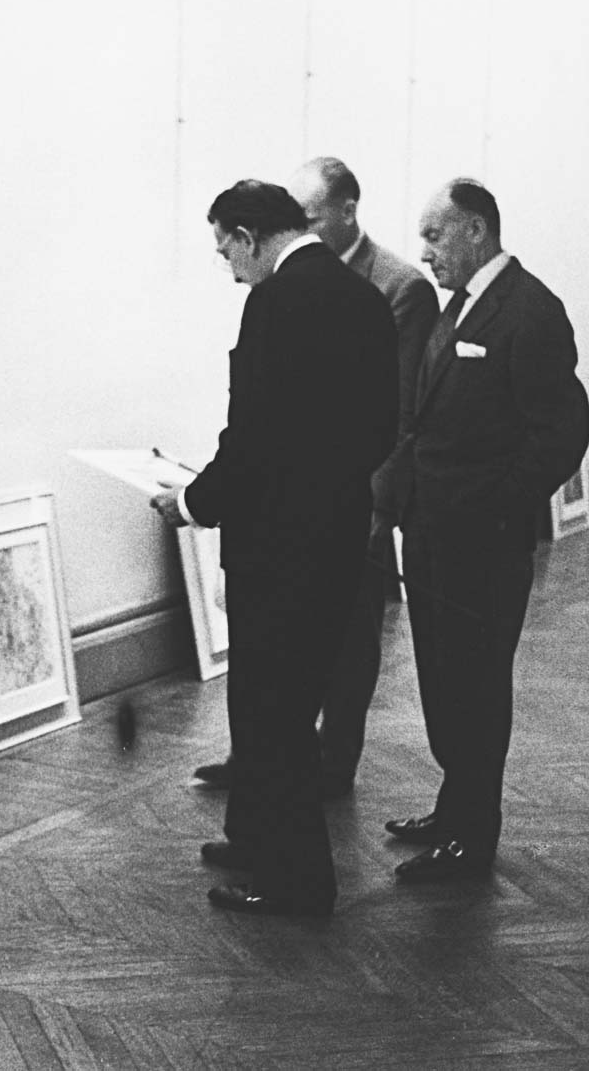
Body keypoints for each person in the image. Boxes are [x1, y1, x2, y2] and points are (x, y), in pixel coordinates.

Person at [152, 180, 399, 916]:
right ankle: (255, 830)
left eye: (225, 245)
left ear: (251, 236)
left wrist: (192, 502)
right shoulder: (361, 295)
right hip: (331, 533)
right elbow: (381, 425)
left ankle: (294, 880)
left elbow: (253, 435)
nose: (225, 262)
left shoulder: (276, 300)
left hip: (277, 544)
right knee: (273, 698)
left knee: (275, 708)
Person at [193, 157, 439, 796]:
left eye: (227, 253)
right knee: (290, 673)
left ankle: (325, 767)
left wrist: (369, 505)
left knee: (334, 650)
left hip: (329, 513)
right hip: (321, 503)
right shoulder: (340, 289)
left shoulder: (391, 286)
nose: (228, 269)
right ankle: (270, 776)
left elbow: (401, 413)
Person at [386, 179, 589, 881]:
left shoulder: (528, 310)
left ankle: (471, 834)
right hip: (431, 535)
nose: (424, 251)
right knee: (443, 680)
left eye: (434, 235)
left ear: (474, 230)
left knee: (474, 684)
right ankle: (452, 808)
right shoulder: (457, 308)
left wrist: (498, 506)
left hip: (481, 542)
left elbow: (563, 431)